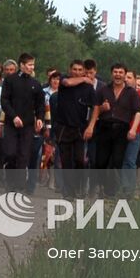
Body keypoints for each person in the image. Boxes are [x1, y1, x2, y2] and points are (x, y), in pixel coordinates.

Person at [84, 63, 140, 194]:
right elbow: (96, 108)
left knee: (117, 161)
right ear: (112, 74)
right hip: (104, 128)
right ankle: (101, 185)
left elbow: (138, 112)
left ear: (124, 75)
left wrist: (133, 129)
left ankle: (111, 190)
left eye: (120, 72)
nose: (118, 75)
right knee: (100, 161)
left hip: (122, 129)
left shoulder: (131, 93)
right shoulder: (103, 90)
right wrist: (91, 126)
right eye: (115, 72)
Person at [0, 53, 46, 191]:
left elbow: (40, 105)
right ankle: (10, 180)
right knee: (10, 152)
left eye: (33, 65)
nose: (32, 67)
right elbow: (4, 101)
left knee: (24, 155)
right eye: (30, 65)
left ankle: (18, 186)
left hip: (28, 125)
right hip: (11, 123)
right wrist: (13, 116)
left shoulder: (35, 84)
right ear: (22, 65)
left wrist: (40, 119)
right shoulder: (10, 80)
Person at [53, 60, 97, 195]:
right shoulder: (64, 80)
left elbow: (95, 107)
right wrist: (84, 78)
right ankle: (69, 191)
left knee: (79, 160)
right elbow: (68, 83)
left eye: (80, 70)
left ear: (84, 70)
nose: (77, 72)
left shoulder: (88, 88)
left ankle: (79, 187)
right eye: (75, 69)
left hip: (80, 128)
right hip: (63, 127)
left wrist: (91, 126)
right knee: (66, 162)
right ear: (70, 69)